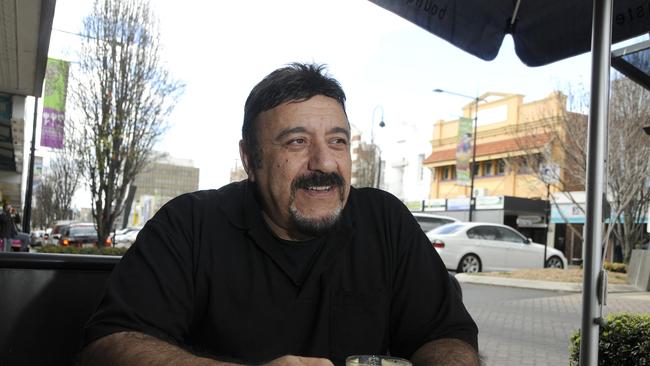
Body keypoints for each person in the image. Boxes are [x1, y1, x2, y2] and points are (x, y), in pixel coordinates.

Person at [79, 63, 479, 366]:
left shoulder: (385, 221)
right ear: (250, 159)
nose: (323, 162)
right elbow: (108, 344)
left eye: (337, 141)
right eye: (297, 142)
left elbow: (447, 336)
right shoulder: (190, 225)